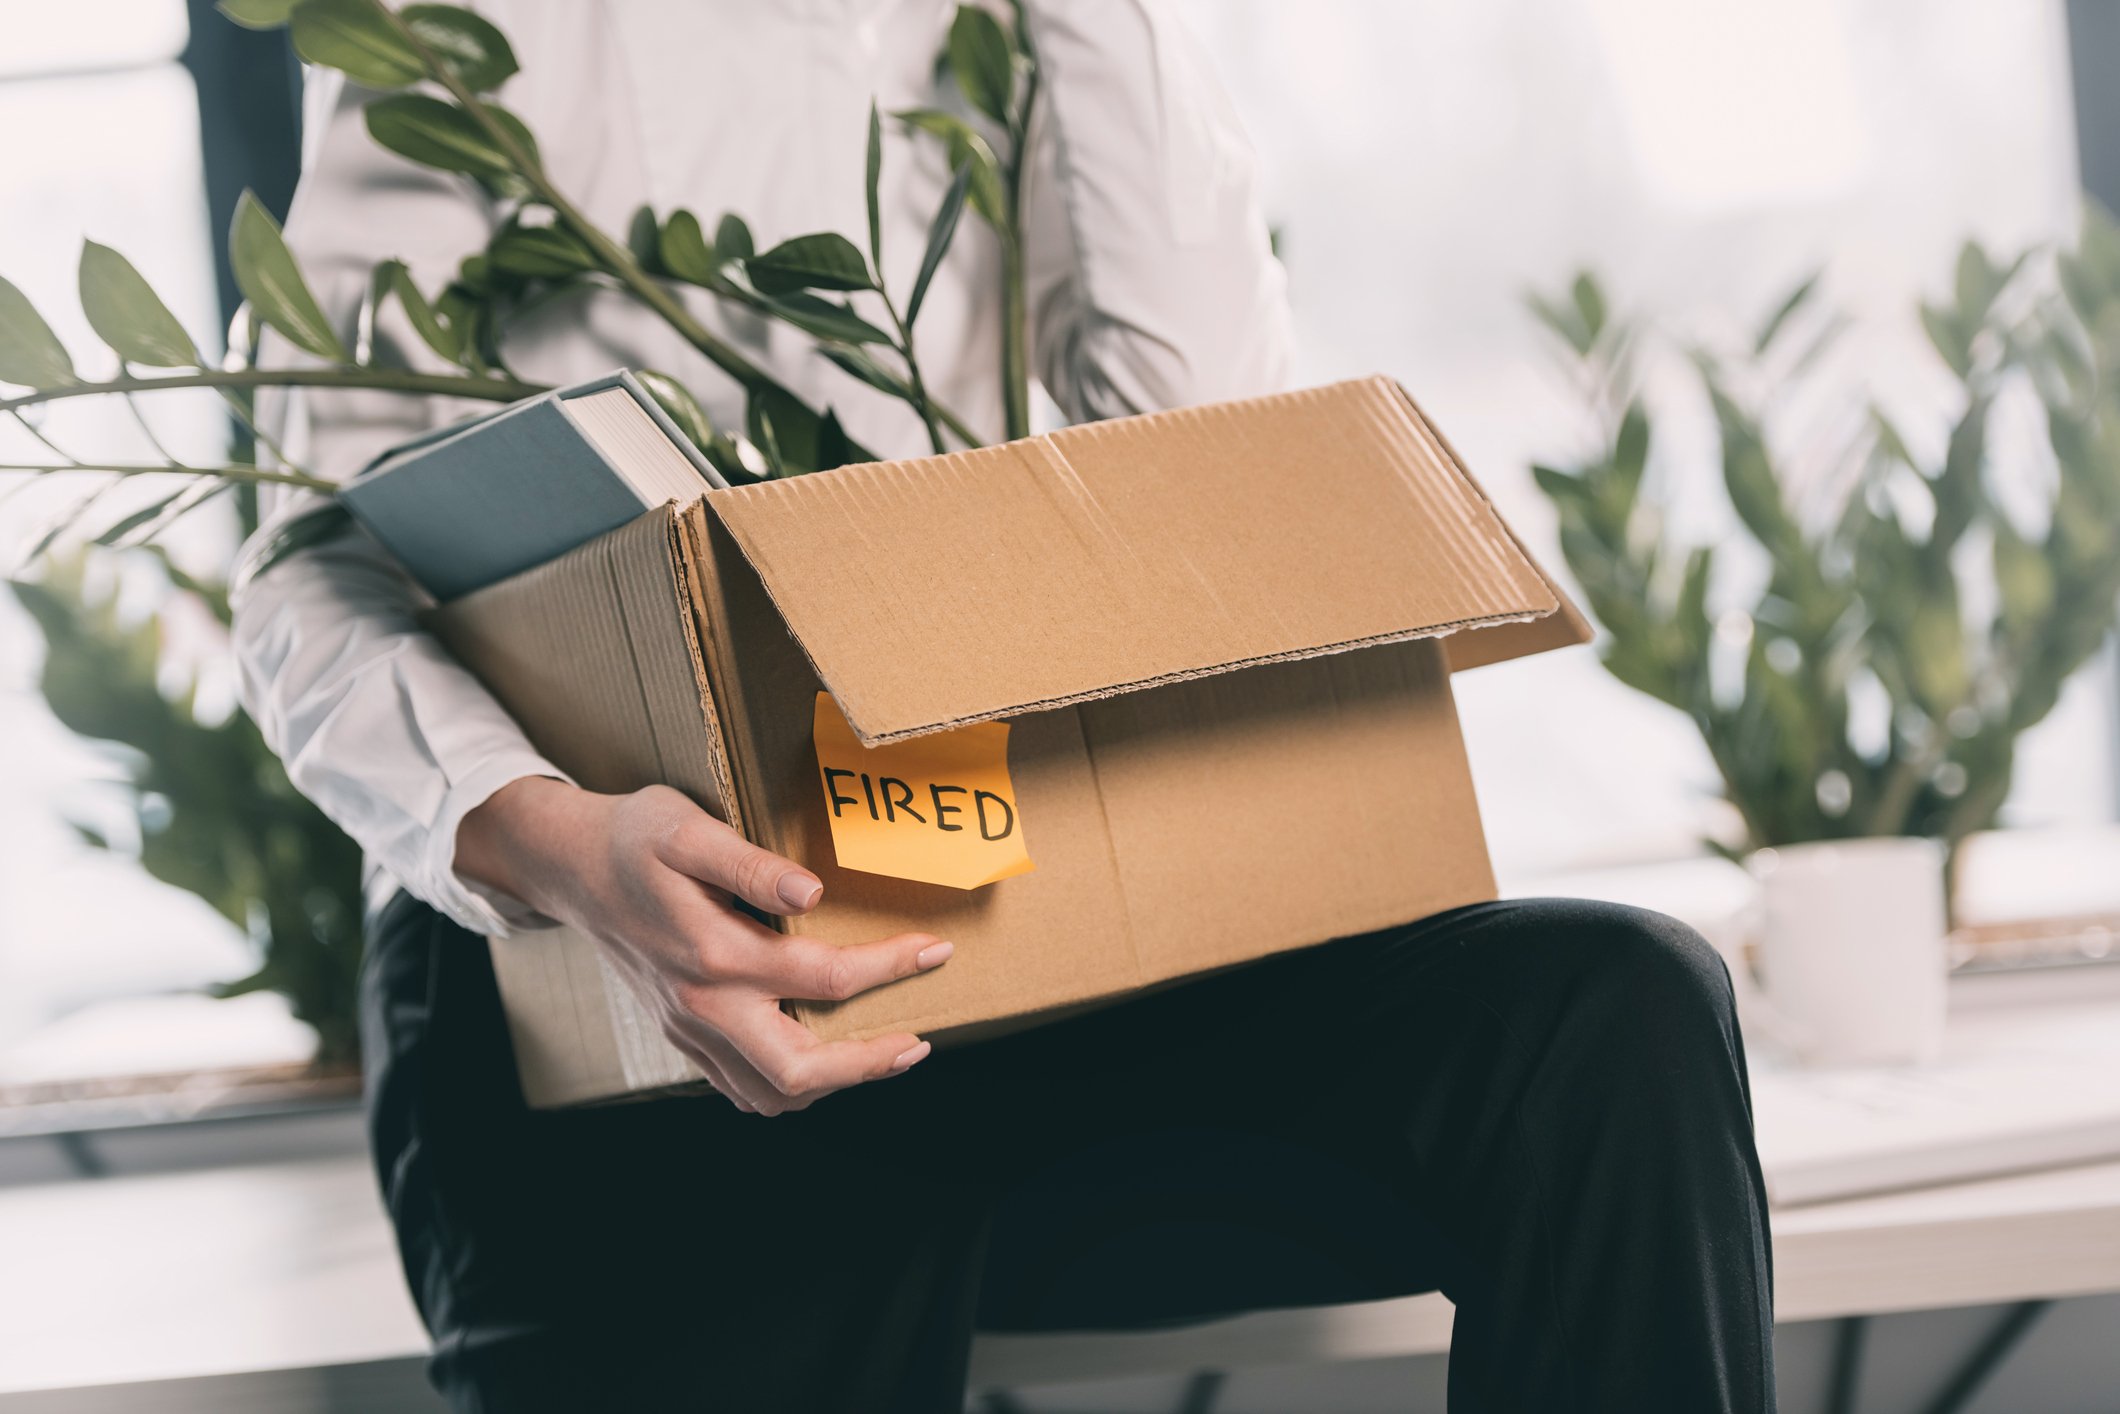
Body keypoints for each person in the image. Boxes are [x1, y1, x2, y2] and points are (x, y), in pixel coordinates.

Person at [232, 3, 1777, 1410]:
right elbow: (314, 565)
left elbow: (1197, 470)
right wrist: (563, 848)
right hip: (600, 962)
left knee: (1608, 1020)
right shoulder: (475, 25)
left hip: (975, 895)